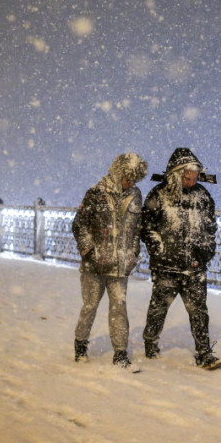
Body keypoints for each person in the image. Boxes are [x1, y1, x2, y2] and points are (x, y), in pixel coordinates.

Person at [141, 148, 221, 370]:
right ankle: (150, 343)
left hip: (194, 268)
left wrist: (205, 252)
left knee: (199, 312)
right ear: (176, 174)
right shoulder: (158, 194)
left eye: (194, 178)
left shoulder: (203, 196)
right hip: (166, 267)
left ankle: (204, 354)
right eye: (187, 178)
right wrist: (159, 250)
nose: (191, 182)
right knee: (158, 308)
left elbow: (210, 229)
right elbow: (147, 228)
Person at [71, 153, 148, 368]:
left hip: (120, 265)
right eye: (127, 178)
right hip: (94, 266)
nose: (130, 183)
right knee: (90, 306)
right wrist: (89, 251)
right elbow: (79, 225)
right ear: (117, 173)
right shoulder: (96, 193)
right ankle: (80, 345)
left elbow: (136, 230)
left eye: (134, 179)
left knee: (119, 308)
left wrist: (132, 255)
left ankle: (120, 352)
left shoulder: (136, 196)